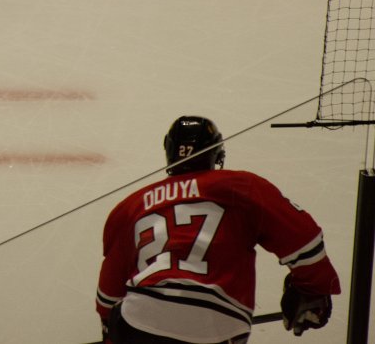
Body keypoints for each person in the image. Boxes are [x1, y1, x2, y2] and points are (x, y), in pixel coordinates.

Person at [95, 116, 341, 344]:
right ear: (215, 155)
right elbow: (304, 240)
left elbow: (107, 297)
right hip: (217, 324)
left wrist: (111, 331)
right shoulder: (242, 186)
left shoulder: (131, 205)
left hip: (142, 319)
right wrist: (312, 290)